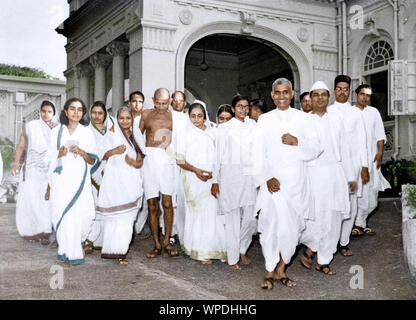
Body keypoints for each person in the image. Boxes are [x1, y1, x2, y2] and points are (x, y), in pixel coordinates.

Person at [252, 78, 322, 289]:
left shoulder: (304, 119)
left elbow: (317, 148)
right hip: (272, 185)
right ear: (272, 95)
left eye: (286, 92)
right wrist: (266, 177)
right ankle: (269, 269)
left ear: (292, 94)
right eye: (278, 93)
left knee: (291, 231)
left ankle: (282, 268)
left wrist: (297, 141)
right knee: (270, 228)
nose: (282, 96)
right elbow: (256, 153)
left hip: (296, 184)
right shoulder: (264, 120)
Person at [299, 81, 354, 275]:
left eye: (324, 94)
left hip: (335, 173)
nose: (320, 98)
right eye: (316, 95)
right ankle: (311, 246)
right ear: (310, 98)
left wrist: (351, 176)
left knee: (334, 217)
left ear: (328, 98)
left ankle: (324, 260)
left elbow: (345, 149)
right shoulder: (303, 121)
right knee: (314, 216)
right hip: (313, 174)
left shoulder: (336, 119)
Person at [46, 97, 98, 267]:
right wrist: (58, 155)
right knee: (64, 215)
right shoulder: (56, 132)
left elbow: (93, 161)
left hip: (80, 182)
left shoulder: (86, 133)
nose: (76, 112)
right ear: (66, 112)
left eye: (80, 109)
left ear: (83, 113)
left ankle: (73, 248)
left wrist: (83, 153)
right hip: (61, 182)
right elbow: (48, 159)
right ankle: (67, 253)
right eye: (73, 109)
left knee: (81, 216)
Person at [176, 103, 226, 264]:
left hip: (211, 177)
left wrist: (214, 176)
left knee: (211, 212)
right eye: (193, 116)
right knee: (197, 212)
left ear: (204, 115)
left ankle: (213, 248)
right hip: (192, 177)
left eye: (200, 116)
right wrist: (196, 171)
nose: (196, 119)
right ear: (188, 116)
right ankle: (199, 250)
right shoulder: (184, 134)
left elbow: (219, 156)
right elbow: (180, 160)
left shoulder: (213, 132)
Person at [212, 94, 257, 270]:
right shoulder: (224, 128)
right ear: (233, 109)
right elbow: (217, 156)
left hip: (250, 176)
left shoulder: (253, 126)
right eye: (240, 106)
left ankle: (242, 249)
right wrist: (215, 180)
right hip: (230, 175)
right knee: (232, 217)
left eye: (246, 107)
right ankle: (232, 258)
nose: (243, 110)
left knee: (250, 218)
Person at [96, 107, 145, 265]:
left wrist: (133, 162)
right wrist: (113, 151)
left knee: (127, 218)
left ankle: (122, 251)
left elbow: (140, 160)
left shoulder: (136, 135)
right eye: (121, 118)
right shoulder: (111, 133)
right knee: (115, 217)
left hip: (130, 181)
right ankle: (111, 250)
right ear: (117, 119)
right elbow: (101, 155)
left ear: (132, 120)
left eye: (127, 118)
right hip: (114, 181)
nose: (124, 121)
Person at [327, 75, 369, 256]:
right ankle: (331, 242)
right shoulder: (328, 112)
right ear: (334, 91)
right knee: (334, 205)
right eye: (339, 88)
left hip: (352, 168)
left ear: (349, 91)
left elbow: (362, 142)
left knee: (351, 205)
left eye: (346, 89)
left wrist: (365, 167)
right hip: (334, 168)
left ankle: (344, 242)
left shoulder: (356, 113)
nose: (342, 92)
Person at [139, 88, 179, 258]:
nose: (162, 107)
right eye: (158, 103)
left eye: (165, 103)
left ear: (170, 101)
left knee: (168, 203)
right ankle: (156, 244)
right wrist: (140, 155)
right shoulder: (146, 114)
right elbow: (134, 135)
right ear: (153, 99)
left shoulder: (175, 117)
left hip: (167, 161)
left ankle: (167, 241)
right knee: (152, 205)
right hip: (149, 161)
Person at [12, 100, 58, 245]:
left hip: (50, 171)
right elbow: (21, 146)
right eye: (43, 111)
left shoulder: (58, 129)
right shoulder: (31, 127)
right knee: (32, 201)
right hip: (32, 170)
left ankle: (45, 232)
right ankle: (33, 231)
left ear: (53, 113)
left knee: (47, 202)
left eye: (49, 112)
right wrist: (15, 164)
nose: (46, 114)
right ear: (40, 112)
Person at [353, 84, 387, 236]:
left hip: (372, 160)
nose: (365, 98)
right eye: (362, 94)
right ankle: (359, 225)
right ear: (356, 95)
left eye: (368, 95)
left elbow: (380, 135)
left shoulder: (373, 112)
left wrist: (380, 153)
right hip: (355, 161)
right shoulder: (350, 113)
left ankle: (361, 222)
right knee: (358, 193)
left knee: (372, 198)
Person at [84, 101, 114, 252]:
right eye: (94, 113)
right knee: (93, 207)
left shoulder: (112, 131)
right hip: (92, 173)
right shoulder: (86, 131)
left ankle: (106, 240)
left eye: (100, 113)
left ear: (105, 114)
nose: (97, 116)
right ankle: (89, 239)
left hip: (108, 173)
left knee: (107, 206)